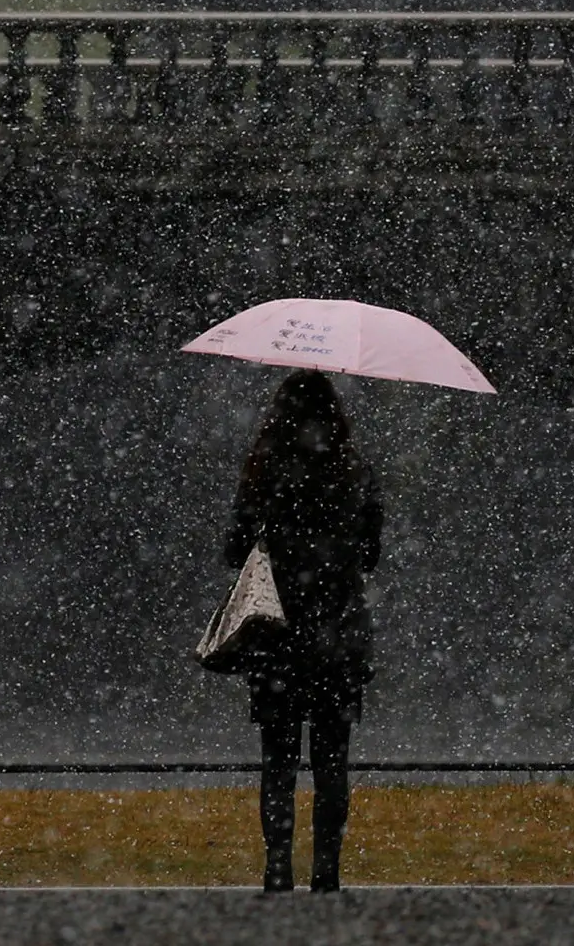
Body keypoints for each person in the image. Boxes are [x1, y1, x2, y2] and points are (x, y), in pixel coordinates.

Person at [227, 369, 382, 893]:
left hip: (279, 634)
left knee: (279, 758)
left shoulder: (265, 469)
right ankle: (327, 872)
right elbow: (371, 555)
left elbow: (233, 550)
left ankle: (277, 869)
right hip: (337, 634)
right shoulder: (354, 470)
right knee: (332, 759)